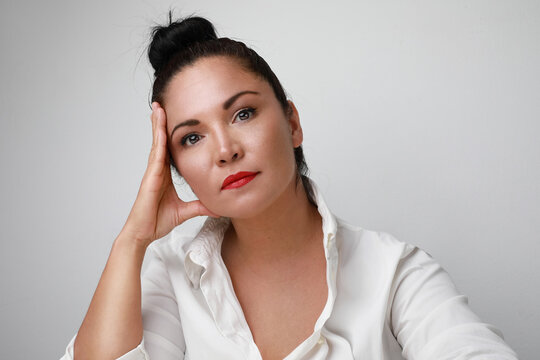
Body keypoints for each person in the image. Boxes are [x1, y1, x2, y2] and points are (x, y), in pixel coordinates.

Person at [60, 14, 518, 360]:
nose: (224, 149)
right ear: (174, 164)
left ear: (292, 123)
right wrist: (132, 240)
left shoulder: (394, 270)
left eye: (242, 113)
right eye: (192, 137)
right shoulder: (168, 273)